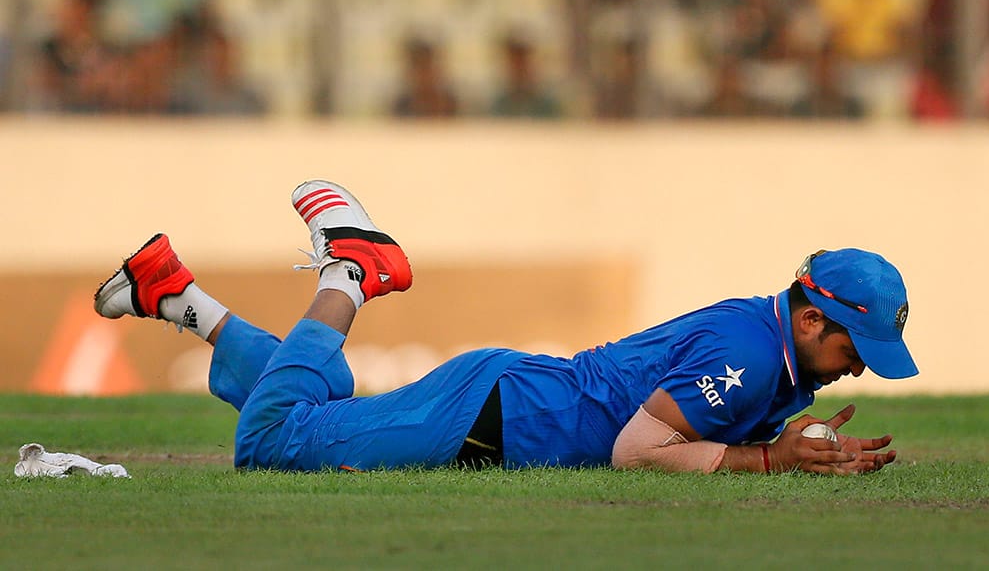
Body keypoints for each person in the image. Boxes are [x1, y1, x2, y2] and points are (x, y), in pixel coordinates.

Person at [94, 180, 915, 475]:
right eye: (852, 346)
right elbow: (638, 452)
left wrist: (795, 441)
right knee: (270, 440)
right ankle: (353, 269)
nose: (858, 367)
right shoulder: (747, 351)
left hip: (506, 405)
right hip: (495, 419)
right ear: (811, 318)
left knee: (325, 393)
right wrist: (772, 460)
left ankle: (178, 298)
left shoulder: (771, 345)